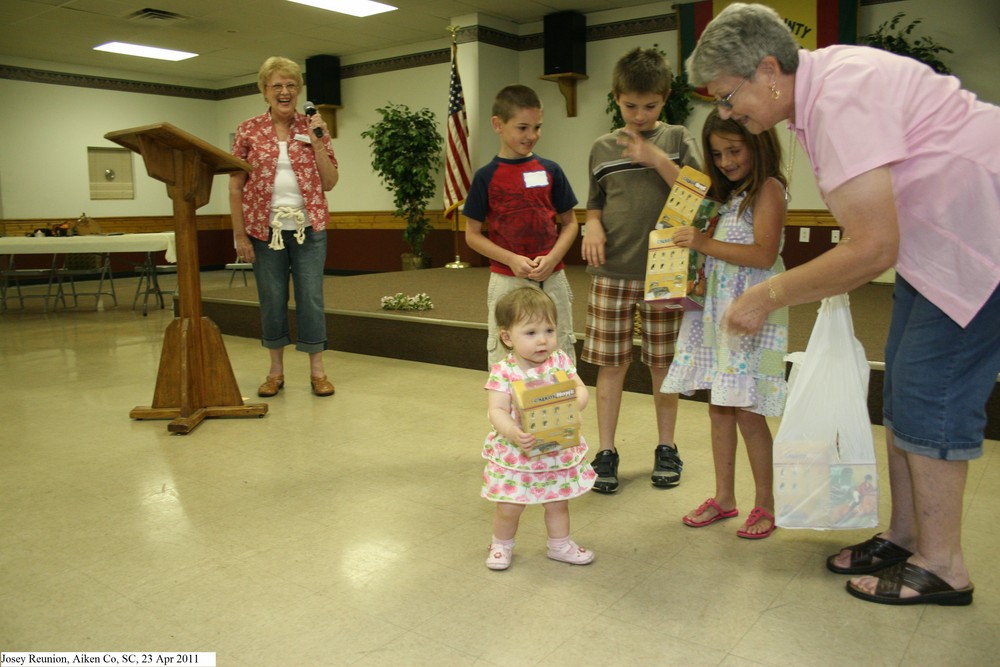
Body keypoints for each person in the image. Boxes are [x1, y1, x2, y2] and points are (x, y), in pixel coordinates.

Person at [687, 3, 1000, 605]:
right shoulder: (820, 89)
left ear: (769, 71)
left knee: (933, 392)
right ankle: (907, 538)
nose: (726, 113)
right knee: (907, 384)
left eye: (728, 97)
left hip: (977, 244)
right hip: (934, 247)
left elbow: (871, 246)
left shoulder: (838, 97)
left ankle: (944, 564)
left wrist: (765, 294)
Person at [661, 108, 788, 539]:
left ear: (758, 143)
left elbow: (763, 255)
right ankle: (724, 498)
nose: (727, 161)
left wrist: (704, 243)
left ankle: (766, 504)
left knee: (748, 410)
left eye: (734, 150)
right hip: (719, 310)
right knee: (720, 407)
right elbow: (682, 185)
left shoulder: (768, 190)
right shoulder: (727, 196)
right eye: (717, 154)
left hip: (751, 312)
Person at [580, 47, 702, 493]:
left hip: (665, 269)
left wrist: (655, 157)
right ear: (617, 98)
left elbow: (694, 196)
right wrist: (591, 224)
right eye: (630, 106)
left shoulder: (677, 138)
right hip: (612, 270)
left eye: (649, 106)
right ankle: (607, 450)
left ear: (664, 98)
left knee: (662, 363)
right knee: (610, 364)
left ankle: (666, 446)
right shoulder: (601, 147)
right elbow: (595, 202)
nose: (640, 114)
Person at [230, 56, 339, 398]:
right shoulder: (248, 130)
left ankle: (317, 371)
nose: (285, 91)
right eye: (277, 85)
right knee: (272, 299)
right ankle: (275, 371)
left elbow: (331, 182)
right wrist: (239, 234)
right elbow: (235, 186)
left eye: (291, 85)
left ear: (299, 91)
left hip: (309, 228)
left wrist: (318, 141)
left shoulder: (313, 127)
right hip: (265, 232)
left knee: (311, 298)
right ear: (265, 91)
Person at [464, 84, 579, 369]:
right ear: (497, 125)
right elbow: (472, 235)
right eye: (522, 127)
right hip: (507, 280)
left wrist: (553, 258)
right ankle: (509, 413)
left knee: (558, 350)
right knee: (508, 357)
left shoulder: (550, 170)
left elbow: (570, 223)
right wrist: (511, 259)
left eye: (537, 127)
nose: (531, 136)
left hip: (552, 278)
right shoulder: (485, 177)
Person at [480, 287, 596, 570]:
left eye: (549, 330)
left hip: (555, 449)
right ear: (507, 337)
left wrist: (573, 404)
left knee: (558, 501)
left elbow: (580, 389)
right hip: (518, 453)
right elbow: (495, 409)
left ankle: (560, 545)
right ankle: (501, 544)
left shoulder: (560, 362)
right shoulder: (504, 371)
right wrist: (512, 432)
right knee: (509, 505)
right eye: (531, 333)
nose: (543, 340)